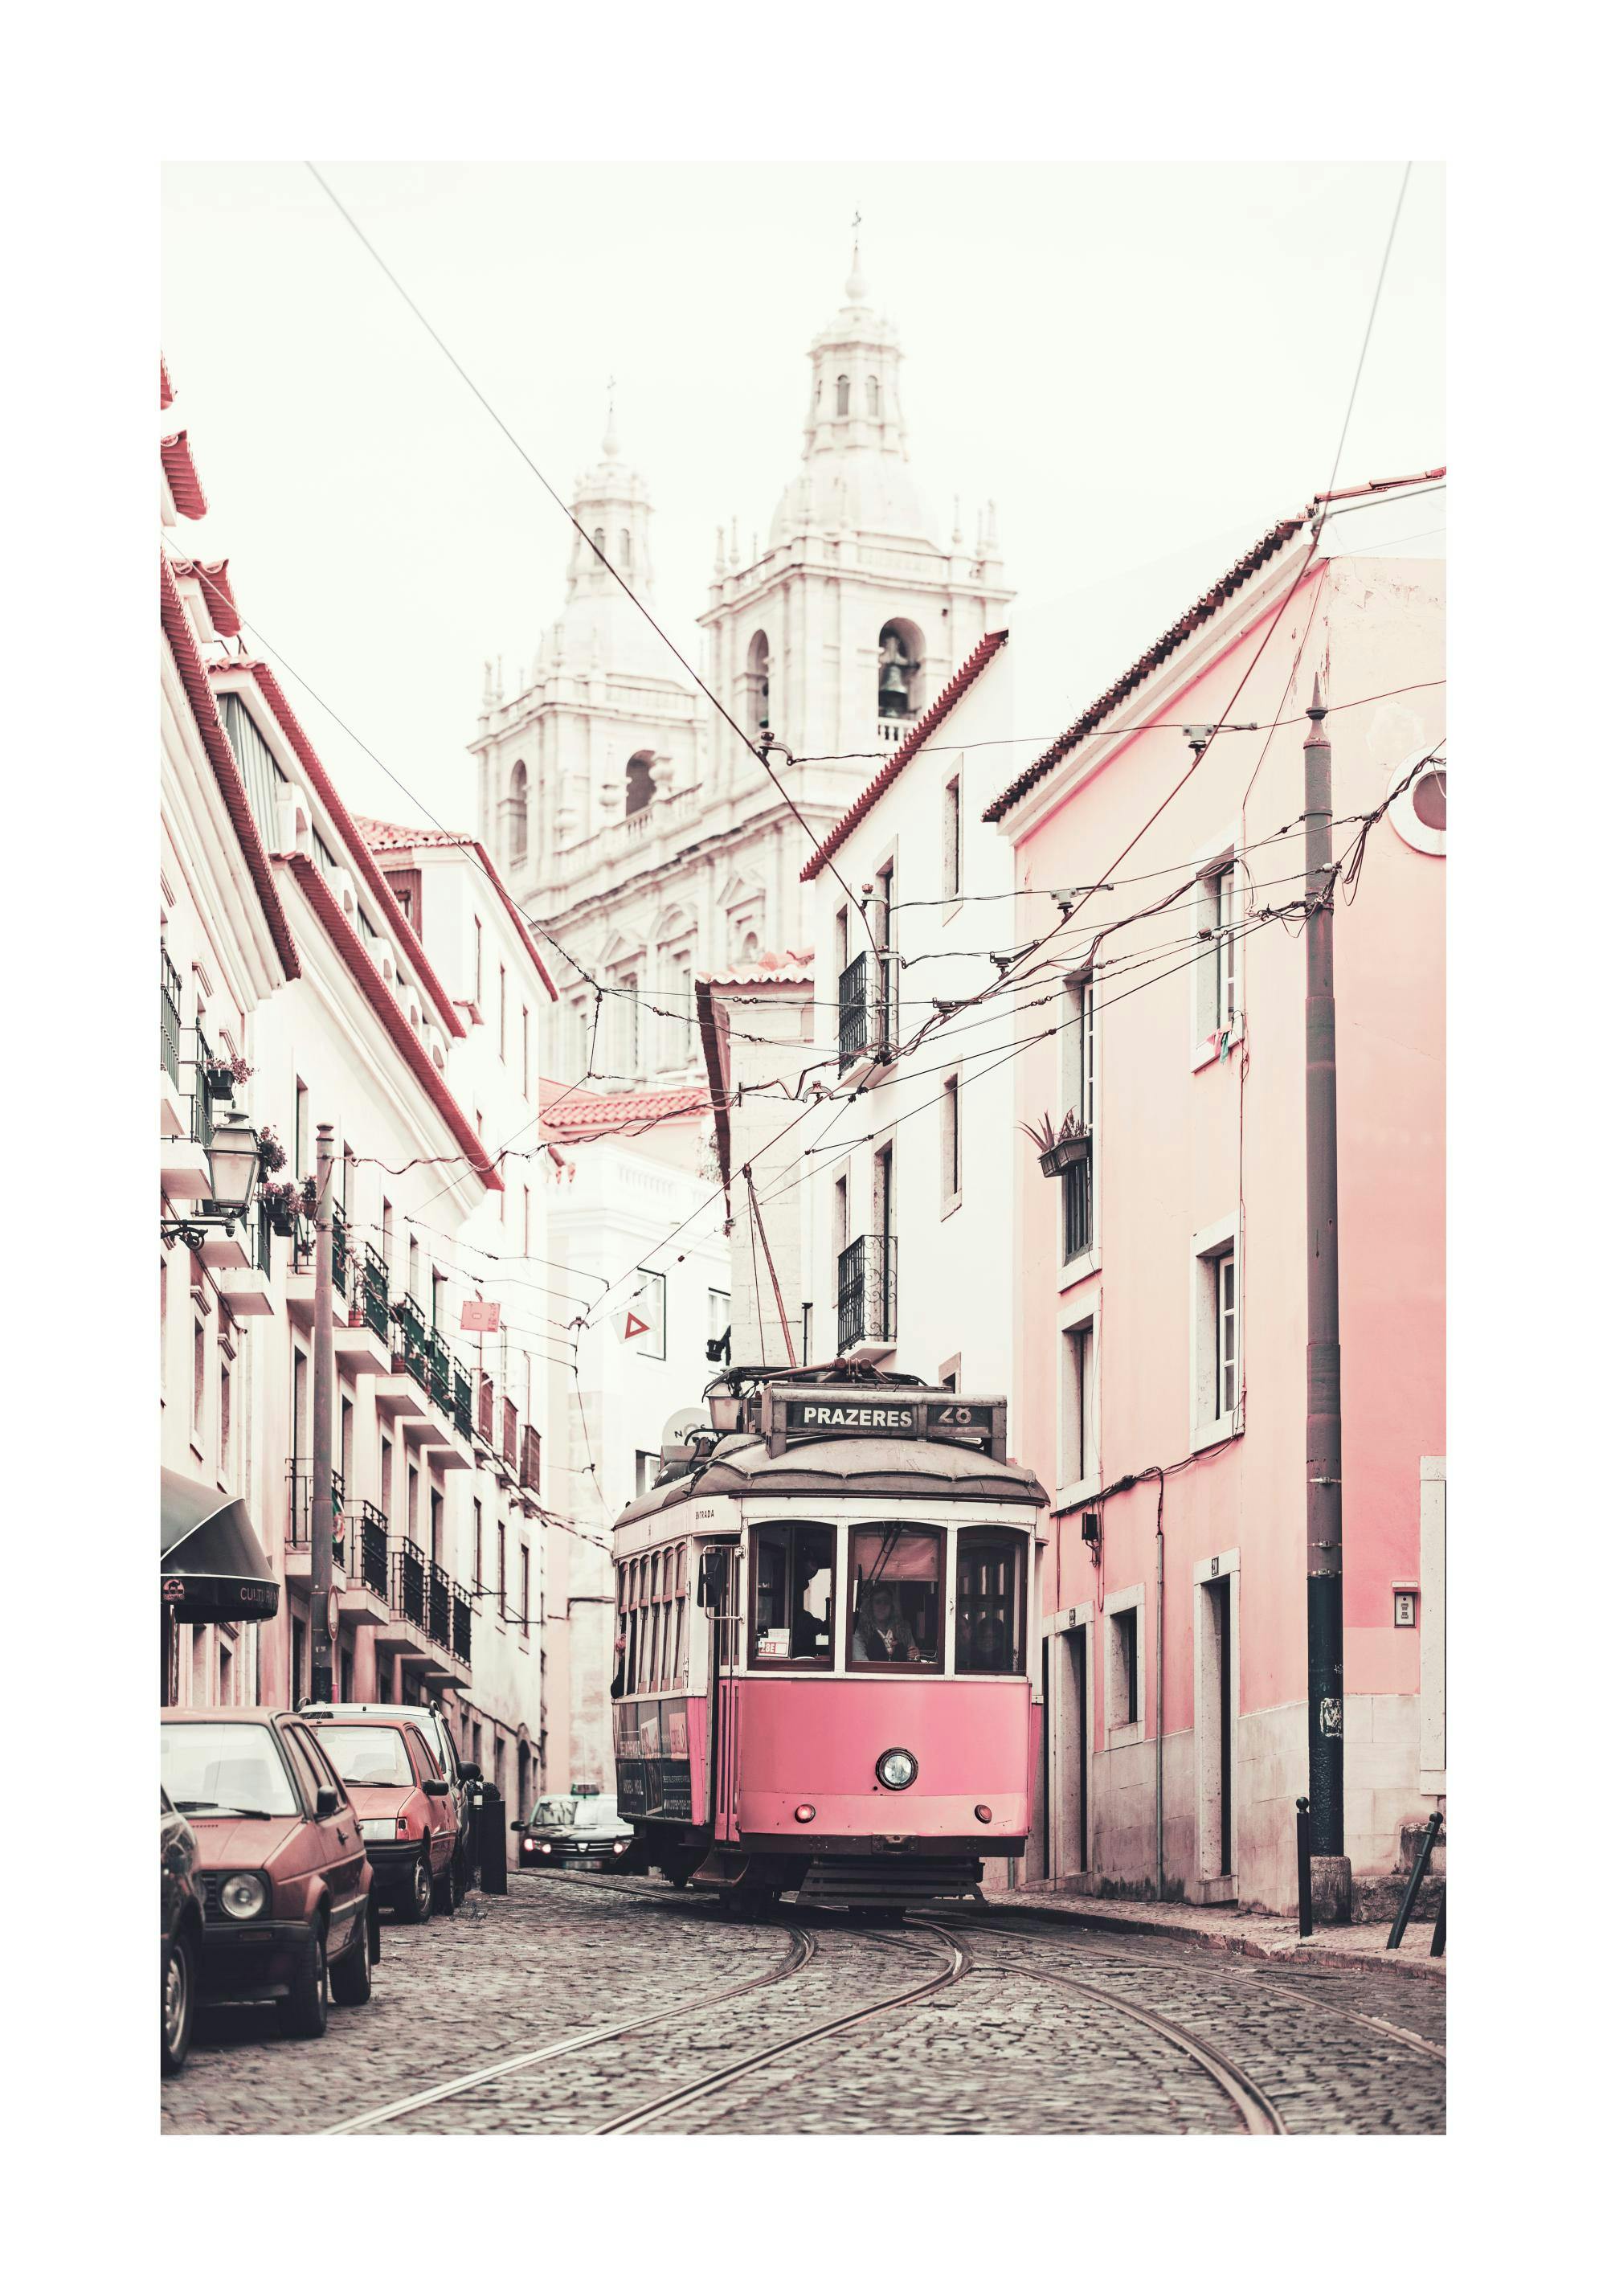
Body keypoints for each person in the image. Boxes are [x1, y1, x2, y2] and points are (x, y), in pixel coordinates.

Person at [853, 1583, 921, 1662]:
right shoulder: (861, 1631)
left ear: (892, 1606)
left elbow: (913, 1663)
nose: (882, 1606)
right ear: (871, 1605)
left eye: (886, 1602)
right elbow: (861, 1662)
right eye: (878, 1602)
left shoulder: (904, 1630)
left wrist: (915, 1656)